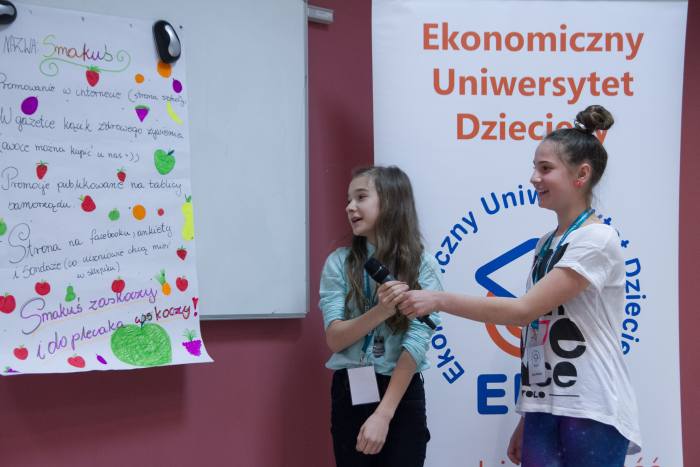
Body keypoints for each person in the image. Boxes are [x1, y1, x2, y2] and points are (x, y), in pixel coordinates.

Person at [397, 105, 641, 467]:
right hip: (544, 408)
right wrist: (529, 412)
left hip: (592, 410)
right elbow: (538, 332)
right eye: (534, 167)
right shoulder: (546, 244)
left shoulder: (597, 239)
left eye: (545, 169)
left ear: (581, 174)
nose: (534, 178)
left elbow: (523, 311)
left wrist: (436, 299)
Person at [319, 165, 441, 467]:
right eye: (348, 200)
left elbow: (416, 344)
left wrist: (383, 415)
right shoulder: (339, 263)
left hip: (401, 391)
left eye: (361, 197)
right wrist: (381, 311)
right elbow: (335, 339)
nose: (350, 207)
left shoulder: (422, 265)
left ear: (390, 202)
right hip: (351, 388)